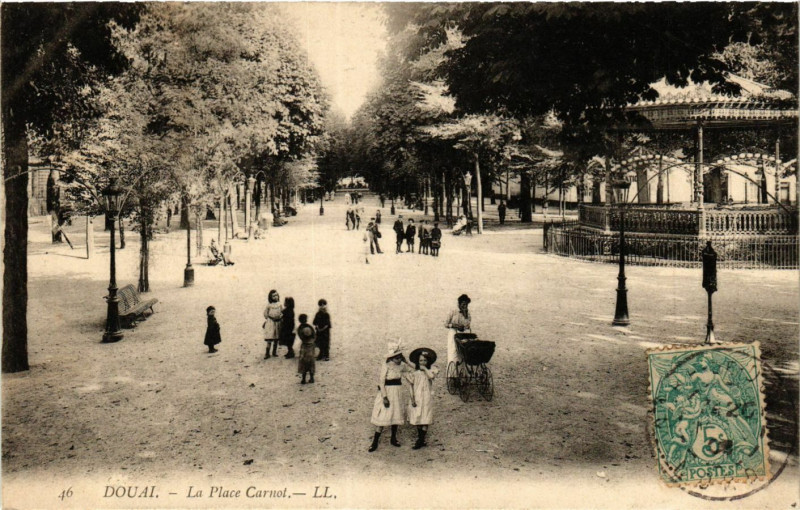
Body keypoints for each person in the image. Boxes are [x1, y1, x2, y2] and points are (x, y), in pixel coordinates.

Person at [368, 343, 415, 452]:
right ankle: (375, 441)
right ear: (391, 358)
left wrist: (406, 362)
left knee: (396, 413)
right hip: (388, 392)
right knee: (383, 415)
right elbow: (381, 382)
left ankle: (393, 438)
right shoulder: (387, 365)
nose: (398, 360)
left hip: (397, 392)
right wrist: (384, 397)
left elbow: (414, 369)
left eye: (400, 357)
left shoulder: (402, 365)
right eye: (396, 358)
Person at [406, 348, 439, 449]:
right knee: (418, 417)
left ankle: (420, 440)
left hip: (426, 397)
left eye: (425, 360)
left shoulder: (431, 370)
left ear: (428, 361)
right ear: (417, 361)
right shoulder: (414, 373)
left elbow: (431, 377)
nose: (423, 362)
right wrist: (412, 399)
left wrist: (424, 369)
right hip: (417, 397)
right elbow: (411, 386)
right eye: (421, 361)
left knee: (425, 417)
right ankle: (421, 439)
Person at [445, 294, 472, 366]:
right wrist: (454, 325)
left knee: (462, 351)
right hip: (453, 333)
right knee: (453, 351)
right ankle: (452, 370)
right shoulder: (453, 311)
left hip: (462, 334)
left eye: (466, 304)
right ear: (459, 304)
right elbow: (446, 324)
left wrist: (465, 315)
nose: (465, 306)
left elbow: (467, 326)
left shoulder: (467, 314)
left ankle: (460, 371)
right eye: (463, 304)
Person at [262, 290, 282, 359]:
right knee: (269, 338)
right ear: (270, 297)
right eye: (273, 296)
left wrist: (280, 317)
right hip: (271, 323)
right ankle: (267, 353)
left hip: (277, 323)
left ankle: (274, 352)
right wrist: (269, 318)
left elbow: (282, 312)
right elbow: (265, 313)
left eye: (276, 295)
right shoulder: (269, 305)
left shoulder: (280, 304)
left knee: (276, 338)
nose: (275, 297)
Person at [296, 316, 316, 384]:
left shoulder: (300, 328)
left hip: (304, 346)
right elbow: (314, 335)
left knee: (303, 362)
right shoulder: (309, 326)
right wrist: (312, 340)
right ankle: (312, 378)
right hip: (311, 345)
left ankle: (303, 379)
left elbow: (301, 336)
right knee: (311, 362)